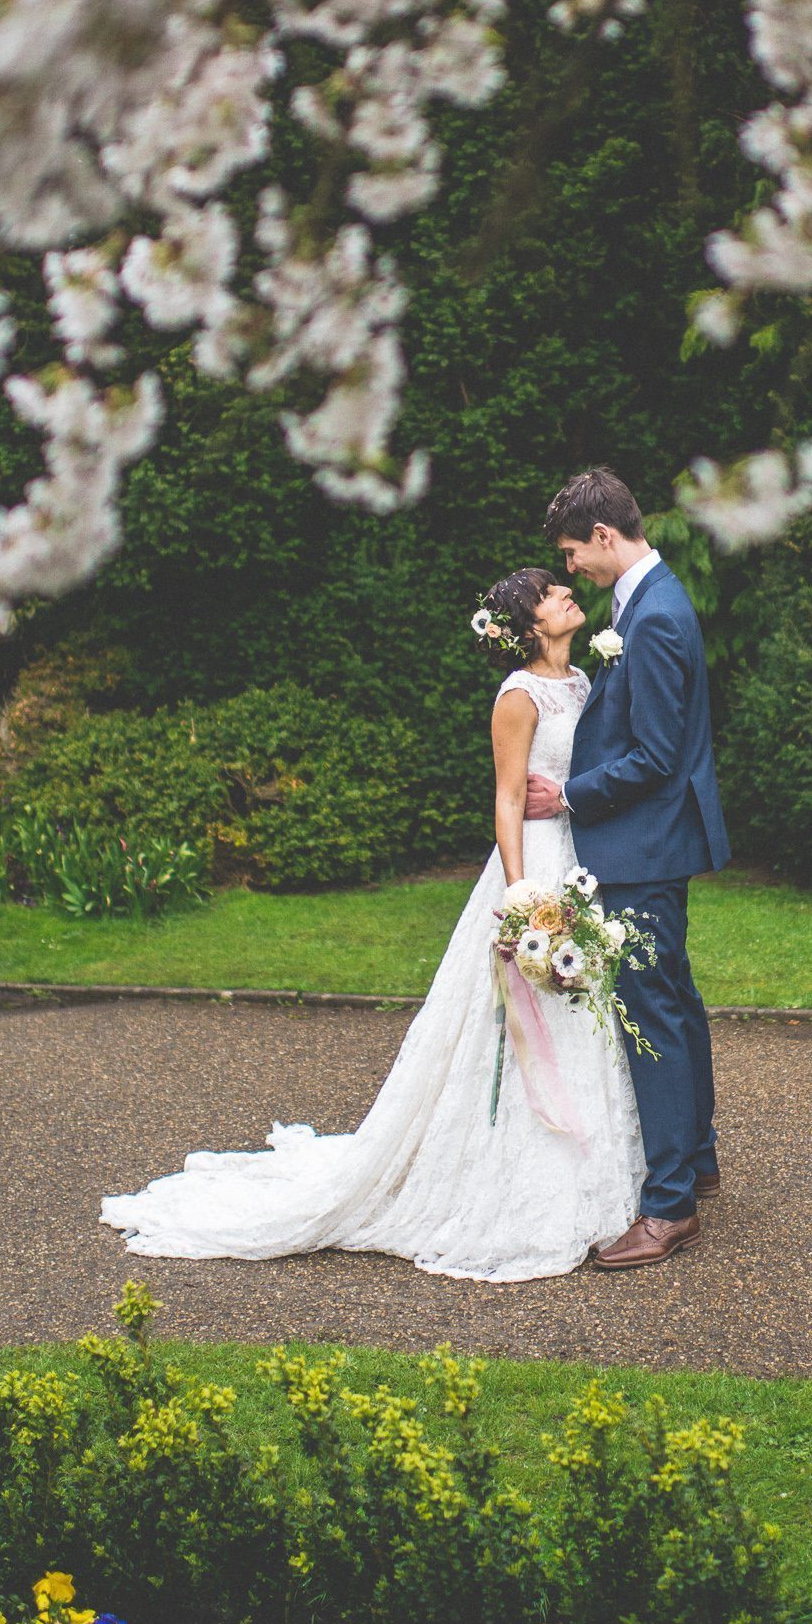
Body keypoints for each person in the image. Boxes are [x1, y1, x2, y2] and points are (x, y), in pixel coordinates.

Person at [100, 566, 645, 1281]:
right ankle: (507, 1178)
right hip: (538, 868)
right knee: (516, 1024)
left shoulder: (582, 682)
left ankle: (599, 1173)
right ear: (529, 624)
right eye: (549, 593)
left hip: (583, 861)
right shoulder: (518, 696)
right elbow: (506, 798)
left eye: (558, 587)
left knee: (585, 1018)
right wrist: (519, 899)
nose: (565, 595)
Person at [526, 467, 730, 1270]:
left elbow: (653, 757)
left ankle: (669, 1206)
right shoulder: (644, 602)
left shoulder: (654, 620)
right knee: (673, 998)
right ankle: (699, 1159)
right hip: (654, 842)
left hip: (645, 844)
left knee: (653, 1013)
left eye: (574, 551)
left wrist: (569, 796)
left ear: (605, 537)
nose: (570, 567)